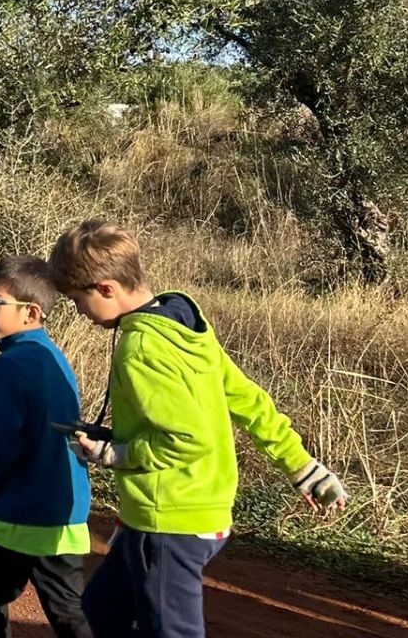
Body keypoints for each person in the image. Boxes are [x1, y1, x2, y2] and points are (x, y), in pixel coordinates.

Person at [50, 220, 348, 638]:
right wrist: (303, 467)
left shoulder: (141, 346)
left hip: (170, 519)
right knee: (103, 612)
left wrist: (113, 455)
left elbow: (185, 439)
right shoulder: (183, 323)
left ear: (106, 288)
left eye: (78, 301)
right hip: (197, 507)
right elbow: (246, 398)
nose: (80, 313)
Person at [0, 256, 93, 638]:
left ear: (31, 312)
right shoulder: (54, 357)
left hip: (19, 515)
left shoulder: (11, 365)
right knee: (69, 612)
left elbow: (0, 445)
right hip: (65, 511)